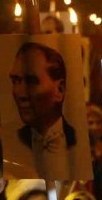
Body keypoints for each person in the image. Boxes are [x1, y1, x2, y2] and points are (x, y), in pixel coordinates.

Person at [10, 42, 79, 178]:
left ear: (60, 89)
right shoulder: (14, 144)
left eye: (31, 81)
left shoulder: (77, 142)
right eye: (16, 81)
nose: (21, 94)